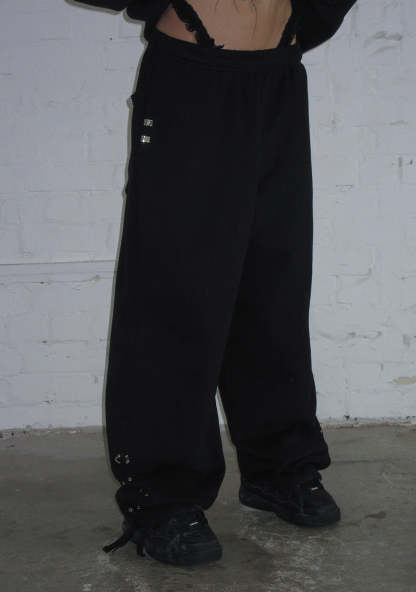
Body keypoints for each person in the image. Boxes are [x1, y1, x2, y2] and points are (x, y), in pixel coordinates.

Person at [73, 0, 357, 567]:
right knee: (176, 294)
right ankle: (163, 497)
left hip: (279, 76)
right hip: (192, 78)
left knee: (273, 286)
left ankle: (278, 468)